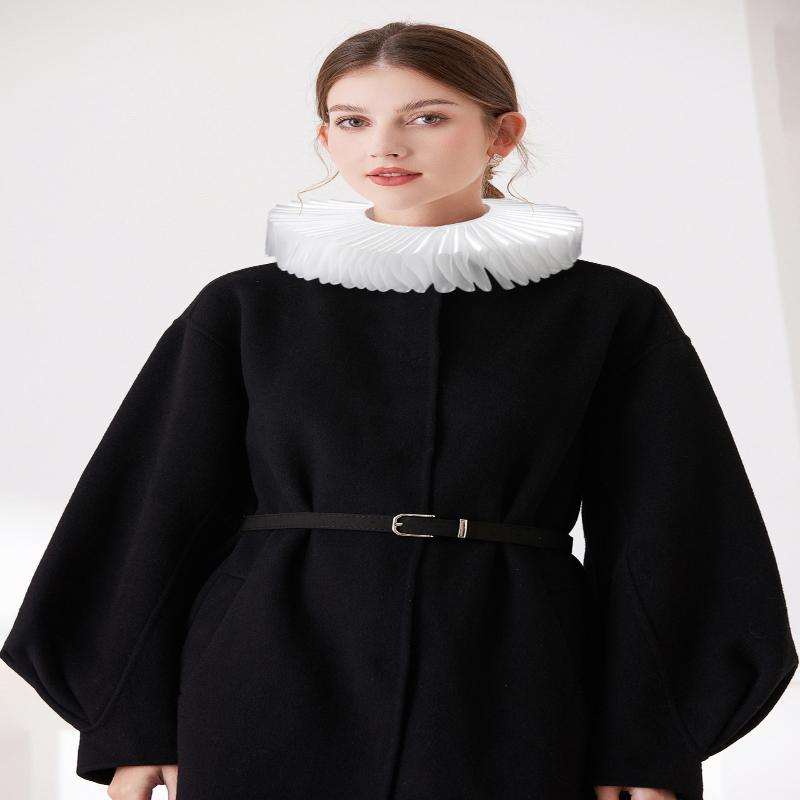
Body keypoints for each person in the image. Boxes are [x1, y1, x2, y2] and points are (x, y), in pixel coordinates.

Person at [2, 20, 797, 800]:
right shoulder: (246, 308)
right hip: (264, 673)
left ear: (502, 134)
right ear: (326, 139)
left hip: (512, 675)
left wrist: (648, 743)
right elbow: (153, 511)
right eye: (353, 121)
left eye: (425, 117)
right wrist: (134, 725)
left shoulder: (608, 312)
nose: (384, 146)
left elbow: (671, 529)